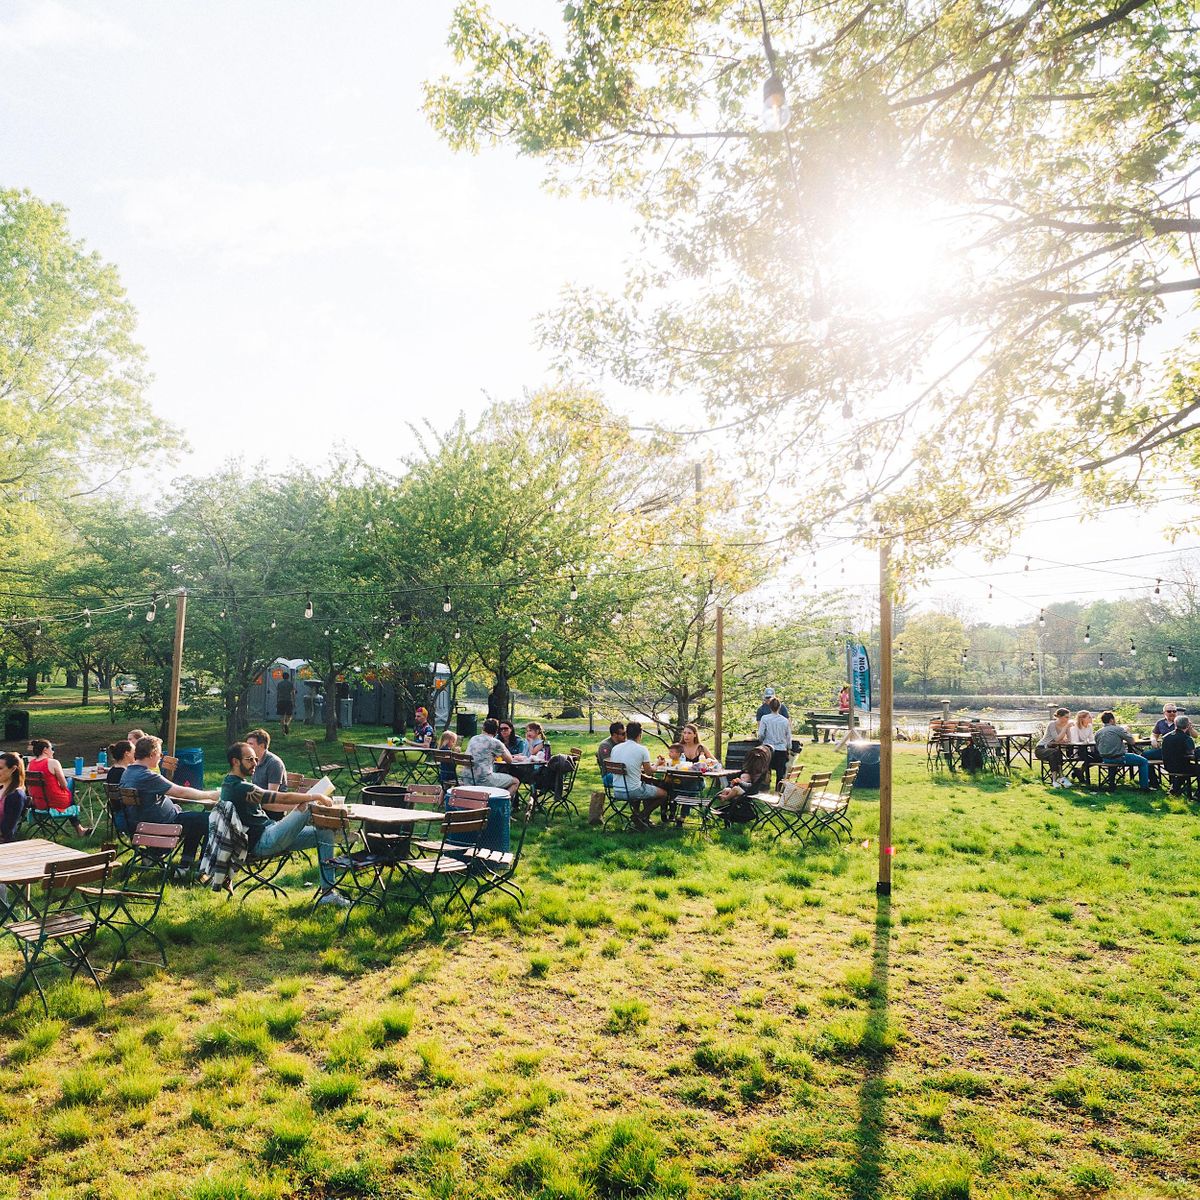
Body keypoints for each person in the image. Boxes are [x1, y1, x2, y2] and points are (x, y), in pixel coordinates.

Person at [221, 741, 349, 906]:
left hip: (272, 831)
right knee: (309, 806)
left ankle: (328, 893)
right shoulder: (238, 787)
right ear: (235, 761)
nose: (255, 763)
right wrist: (316, 796)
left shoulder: (232, 783)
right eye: (249, 759)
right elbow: (282, 797)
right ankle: (340, 825)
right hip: (264, 842)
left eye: (255, 759)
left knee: (325, 833)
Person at [122, 736, 220, 872]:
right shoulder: (148, 776)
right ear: (152, 754)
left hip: (141, 825)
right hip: (159, 827)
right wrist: (211, 795)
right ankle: (203, 867)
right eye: (160, 754)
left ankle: (185, 863)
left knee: (194, 819)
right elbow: (181, 792)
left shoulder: (128, 773)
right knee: (208, 819)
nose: (161, 758)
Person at [608, 721, 668, 830]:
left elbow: (627, 766)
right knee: (663, 794)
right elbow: (649, 771)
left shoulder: (615, 748)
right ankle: (640, 816)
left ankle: (641, 818)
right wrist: (658, 764)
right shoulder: (642, 749)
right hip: (632, 791)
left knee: (647, 787)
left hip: (617, 791)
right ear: (640, 735)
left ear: (626, 734)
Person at [25, 740, 91, 837]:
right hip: (54, 802)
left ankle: (79, 828)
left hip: (37, 803)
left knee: (68, 788)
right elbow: (64, 785)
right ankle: (78, 827)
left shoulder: (30, 764)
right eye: (52, 749)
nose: (53, 751)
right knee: (70, 781)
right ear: (45, 750)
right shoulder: (53, 762)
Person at [714, 745, 773, 825]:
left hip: (747, 792)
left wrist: (741, 782)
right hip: (738, 789)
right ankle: (723, 800)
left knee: (735, 789)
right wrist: (732, 784)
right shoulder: (746, 771)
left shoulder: (759, 775)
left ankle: (725, 798)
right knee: (726, 789)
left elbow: (750, 786)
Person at [1094, 710, 1151, 790]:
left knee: (1114, 756)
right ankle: (1144, 787)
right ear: (1111, 720)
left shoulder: (1097, 732)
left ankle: (1111, 783)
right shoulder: (1118, 729)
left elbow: (1097, 746)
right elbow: (1132, 742)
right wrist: (1127, 731)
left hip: (1105, 759)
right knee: (1143, 761)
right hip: (1119, 758)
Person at [465, 718, 519, 798]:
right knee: (515, 781)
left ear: (483, 728)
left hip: (467, 777)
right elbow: (509, 760)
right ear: (497, 731)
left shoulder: (474, 738)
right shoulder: (495, 742)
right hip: (483, 780)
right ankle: (500, 805)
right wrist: (502, 745)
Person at [757, 696, 793, 789]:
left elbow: (761, 734)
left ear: (770, 707)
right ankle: (778, 790)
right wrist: (789, 747)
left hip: (768, 748)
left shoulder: (765, 718)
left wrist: (761, 741)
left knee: (766, 770)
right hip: (781, 749)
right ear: (779, 707)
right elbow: (788, 736)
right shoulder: (785, 721)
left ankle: (765, 788)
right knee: (780, 772)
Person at [1036, 708, 1074, 788]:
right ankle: (1060, 778)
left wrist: (1067, 730)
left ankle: (1055, 780)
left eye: (1069, 717)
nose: (1068, 719)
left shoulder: (1066, 726)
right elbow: (1057, 739)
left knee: (1055, 753)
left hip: (1053, 750)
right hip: (1041, 749)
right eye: (1066, 717)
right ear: (1060, 717)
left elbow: (1069, 740)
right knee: (1055, 752)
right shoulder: (1052, 724)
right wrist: (1065, 728)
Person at [1160, 714, 1198, 792]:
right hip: (1182, 767)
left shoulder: (1166, 737)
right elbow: (1192, 754)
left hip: (1168, 766)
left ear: (1175, 724)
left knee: (1187, 766)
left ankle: (1175, 788)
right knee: (1197, 768)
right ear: (1188, 725)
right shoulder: (1186, 738)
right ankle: (1198, 793)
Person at [0, 751, 28, 843]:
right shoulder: (2, 788)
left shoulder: (16, 795)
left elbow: (7, 829)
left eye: (0, 768)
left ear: (13, 769)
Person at [276, 671, 296, 736]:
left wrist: (277, 701)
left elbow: (278, 693)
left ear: (282, 677)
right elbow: (293, 693)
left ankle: (283, 732)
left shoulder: (279, 684)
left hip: (280, 700)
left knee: (282, 716)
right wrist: (294, 701)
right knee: (289, 715)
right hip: (288, 701)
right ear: (288, 677)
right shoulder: (290, 684)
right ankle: (286, 724)